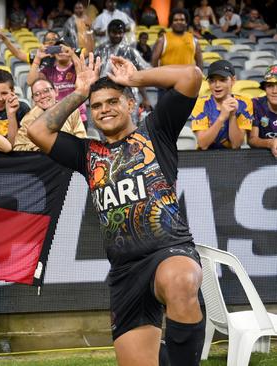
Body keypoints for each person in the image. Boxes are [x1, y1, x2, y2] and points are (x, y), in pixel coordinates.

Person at [28, 48, 205, 366]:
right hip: (125, 274)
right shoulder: (86, 154)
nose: (104, 109)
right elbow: (37, 131)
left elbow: (191, 76)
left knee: (181, 281)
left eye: (112, 101)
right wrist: (80, 93)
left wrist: (136, 77)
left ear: (130, 104)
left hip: (169, 253)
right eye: (97, 106)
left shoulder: (156, 132)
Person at [94, 19, 152, 121]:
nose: (117, 35)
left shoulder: (130, 52)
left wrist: (146, 98)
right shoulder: (100, 50)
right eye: (114, 32)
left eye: (120, 33)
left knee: (128, 124)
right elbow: (94, 74)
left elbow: (138, 76)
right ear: (108, 32)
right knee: (107, 122)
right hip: (104, 93)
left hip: (126, 94)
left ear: (124, 33)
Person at [189, 60, 253, 150]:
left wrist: (232, 116)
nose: (217, 85)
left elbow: (236, 144)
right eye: (212, 81)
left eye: (222, 80)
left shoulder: (244, 103)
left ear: (233, 80)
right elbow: (203, 144)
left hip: (232, 158)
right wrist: (222, 117)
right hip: (205, 158)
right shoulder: (201, 104)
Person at [27, 34, 88, 123]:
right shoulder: (48, 70)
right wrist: (37, 59)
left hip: (78, 118)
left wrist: (72, 55)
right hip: (56, 118)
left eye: (64, 49)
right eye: (58, 49)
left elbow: (83, 75)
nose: (61, 51)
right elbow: (30, 82)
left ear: (72, 50)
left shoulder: (76, 67)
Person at [14, 78, 85, 151]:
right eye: (37, 94)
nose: (42, 96)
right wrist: (40, 146)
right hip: (42, 160)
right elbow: (18, 147)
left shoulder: (72, 111)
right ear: (33, 99)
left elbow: (81, 138)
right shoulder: (28, 119)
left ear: (56, 91)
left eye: (46, 91)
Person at [0, 69, 30, 144]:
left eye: (4, 93)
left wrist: (11, 114)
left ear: (12, 91)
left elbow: (13, 145)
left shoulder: (23, 109)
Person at [248, 64, 277, 156]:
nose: (274, 91)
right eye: (270, 86)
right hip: (261, 159)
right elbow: (252, 139)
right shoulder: (256, 105)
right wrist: (270, 143)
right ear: (264, 88)